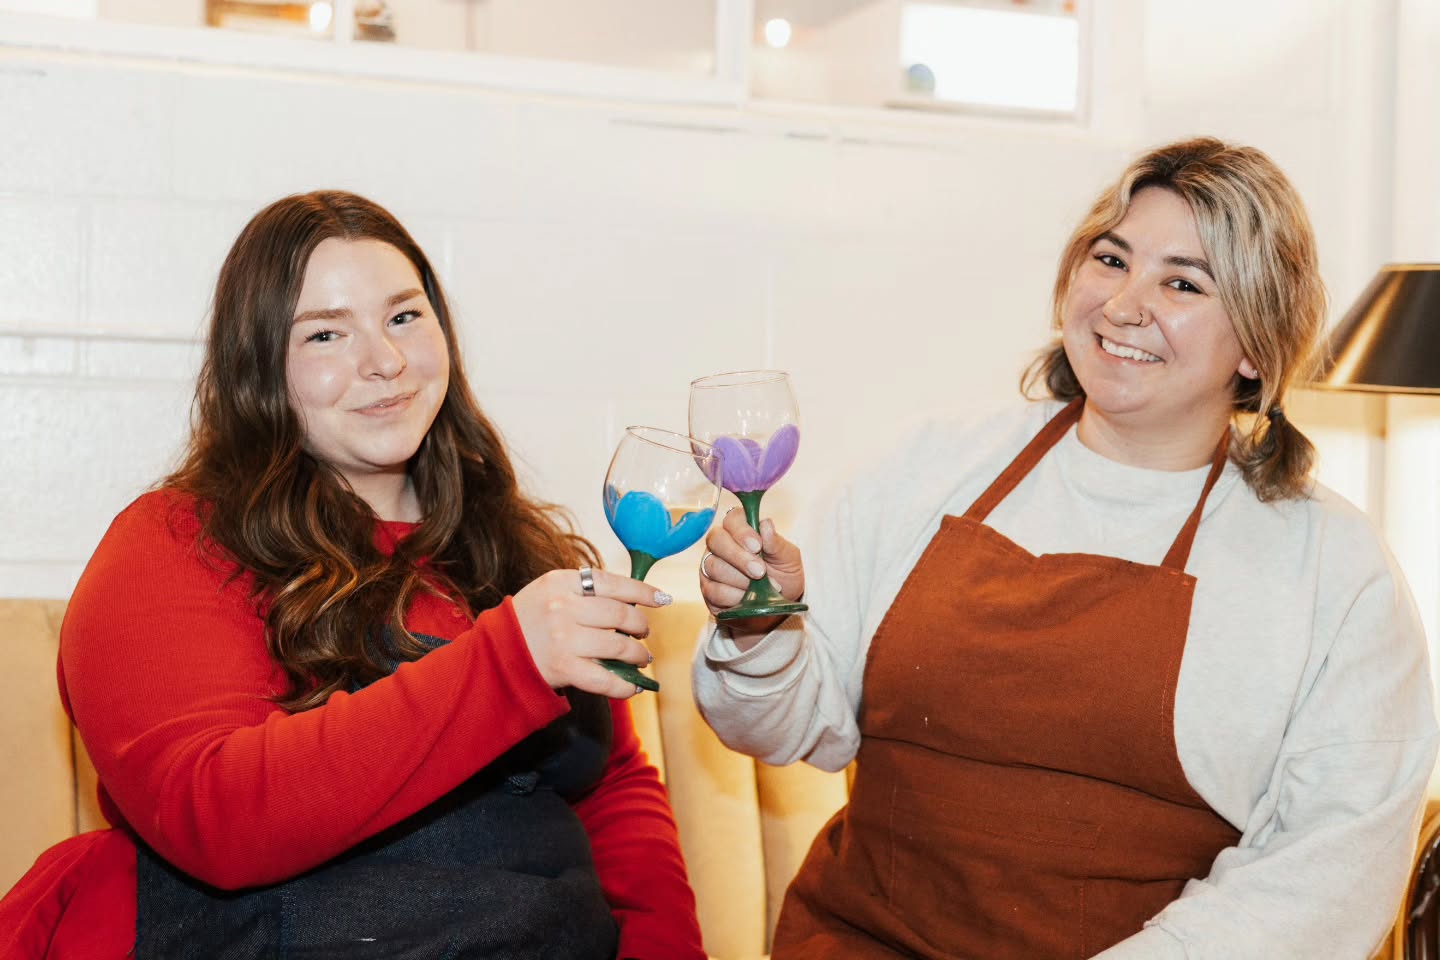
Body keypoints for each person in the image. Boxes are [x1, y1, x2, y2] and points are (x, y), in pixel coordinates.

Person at [692, 137, 1438, 959]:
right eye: (1111, 259)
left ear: (1258, 345)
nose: (1124, 304)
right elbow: (789, 729)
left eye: (1182, 282)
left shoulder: (1331, 569)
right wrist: (761, 631)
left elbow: (1325, 881)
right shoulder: (927, 466)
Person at [0, 191, 706, 959]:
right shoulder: (174, 543)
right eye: (326, 334)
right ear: (258, 368)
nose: (385, 361)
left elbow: (613, 790)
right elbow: (214, 816)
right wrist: (506, 663)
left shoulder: (516, 548)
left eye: (404, 317)